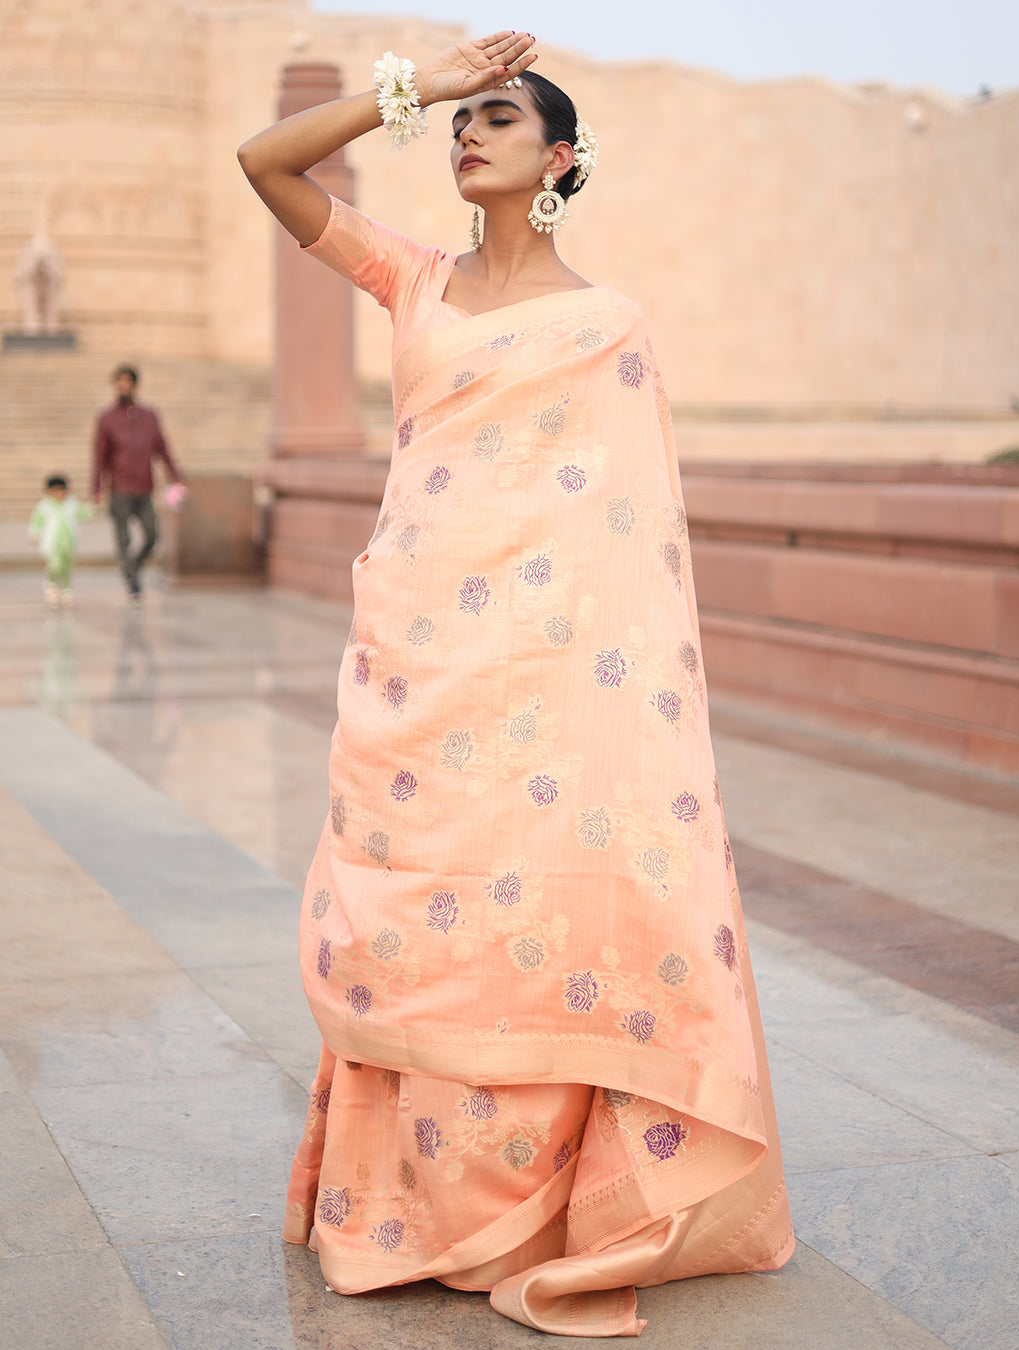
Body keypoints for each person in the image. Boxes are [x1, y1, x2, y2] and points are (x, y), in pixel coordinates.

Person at [239, 31, 794, 1337]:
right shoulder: (412, 279)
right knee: (417, 933)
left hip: (555, 687)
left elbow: (629, 533)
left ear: (559, 158)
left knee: (543, 926)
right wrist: (407, 90)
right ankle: (415, 1207)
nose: (469, 133)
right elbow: (264, 165)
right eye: (461, 119)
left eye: (499, 116)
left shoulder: (608, 327)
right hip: (421, 675)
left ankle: (550, 1208)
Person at [91, 364, 185, 602]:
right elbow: (99, 456)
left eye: (128, 381)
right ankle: (132, 583)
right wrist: (97, 488)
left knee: (152, 535)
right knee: (124, 539)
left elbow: (162, 448)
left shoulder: (149, 416)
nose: (123, 386)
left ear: (134, 384)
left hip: (144, 487)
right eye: (119, 382)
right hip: (120, 489)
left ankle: (132, 565)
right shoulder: (107, 418)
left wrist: (176, 476)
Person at [28, 474, 94, 608]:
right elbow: (36, 521)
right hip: (53, 543)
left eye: (61, 490)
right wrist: (35, 533)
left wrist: (93, 507)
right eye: (55, 491)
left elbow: (85, 513)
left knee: (67, 567)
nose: (59, 494)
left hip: (69, 542)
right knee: (55, 564)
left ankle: (66, 590)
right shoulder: (45, 506)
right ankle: (51, 585)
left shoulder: (71, 504)